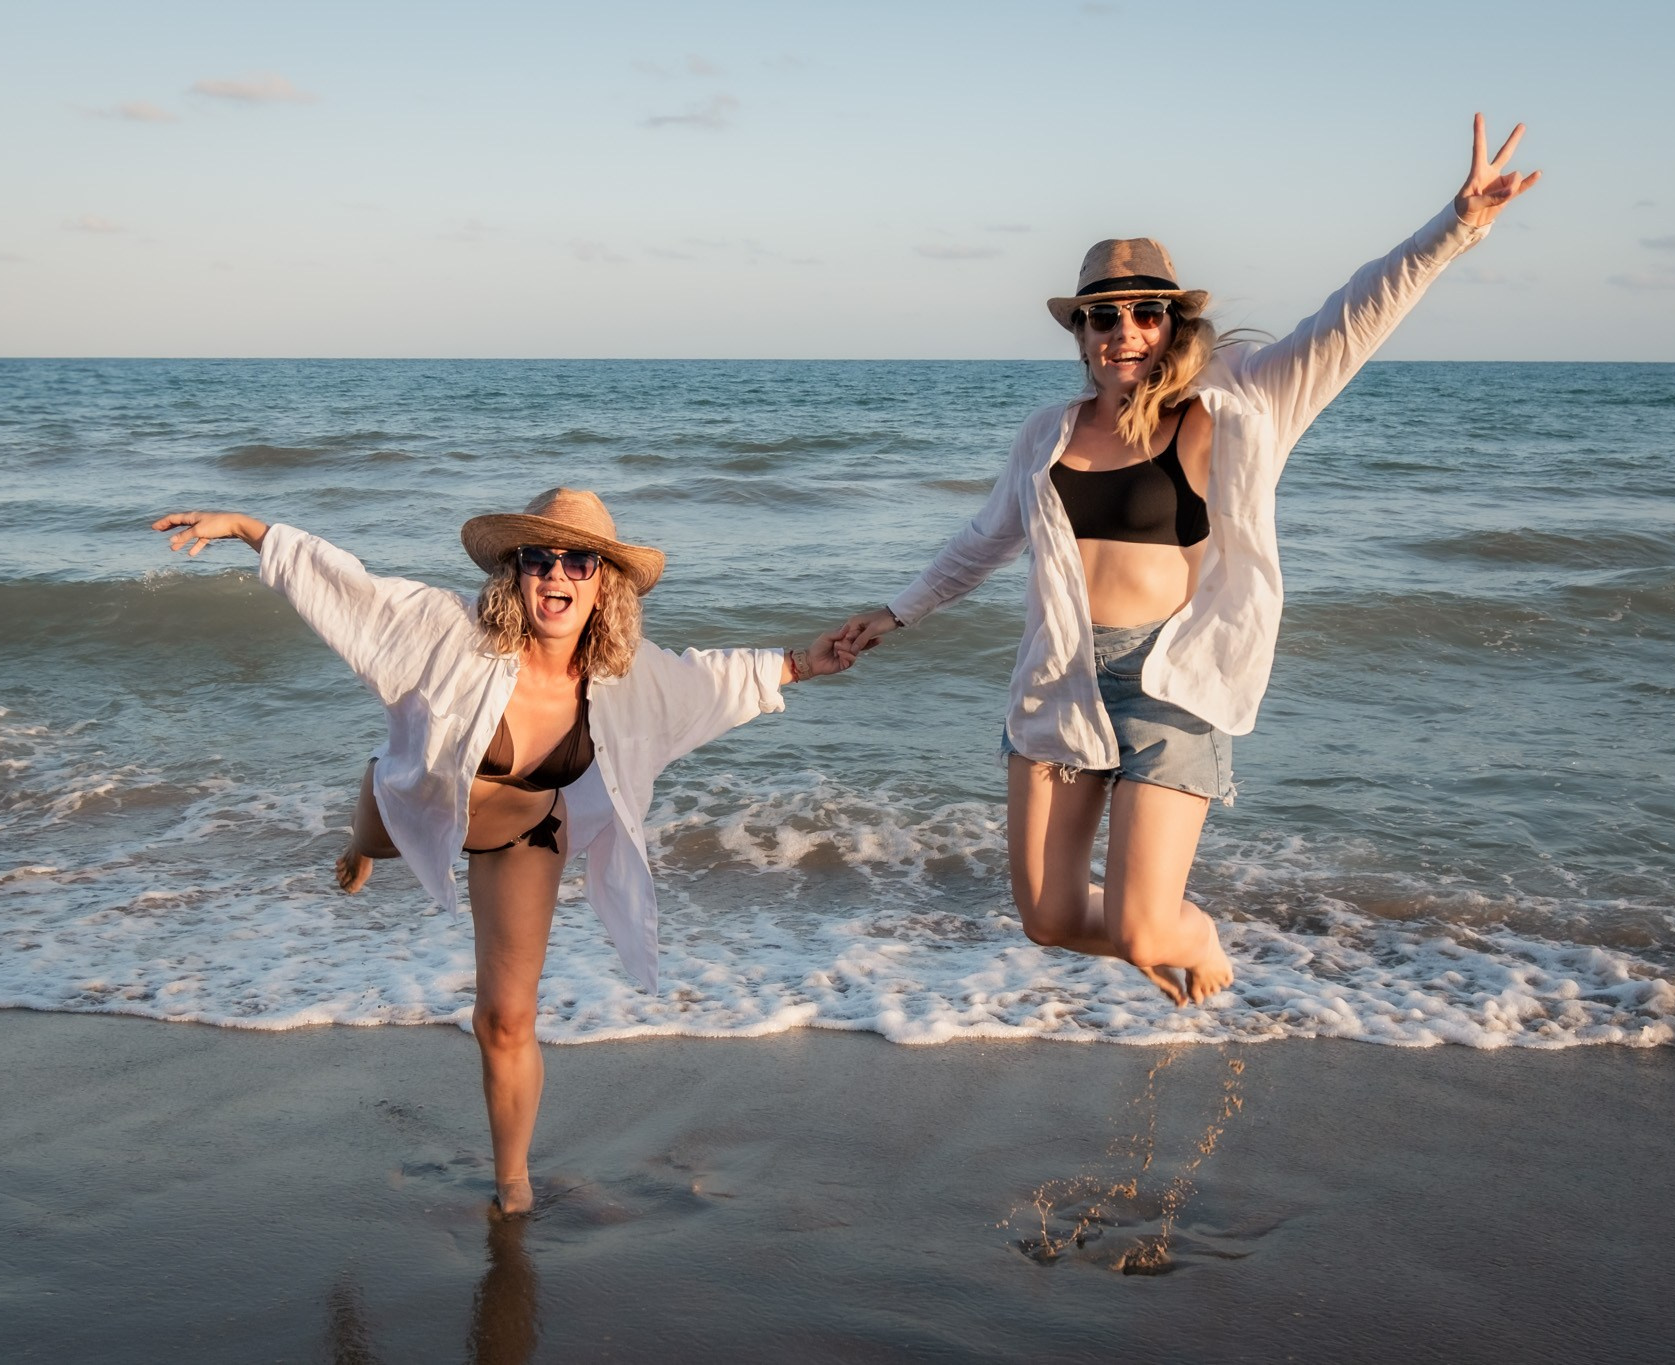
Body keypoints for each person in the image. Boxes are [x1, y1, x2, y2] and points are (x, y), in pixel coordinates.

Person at [839, 115, 1541, 1006]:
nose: (1122, 330)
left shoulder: (1239, 401)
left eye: (1145, 311)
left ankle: (1189, 931)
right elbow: (984, 540)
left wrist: (1459, 223)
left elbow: (1349, 320)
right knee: (1047, 919)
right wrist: (894, 612)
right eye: (1102, 315)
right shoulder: (1046, 436)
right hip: (1061, 682)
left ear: (1173, 321)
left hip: (1170, 684)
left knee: (1140, 925)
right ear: (1080, 329)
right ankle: (1155, 930)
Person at [153, 488, 861, 1214]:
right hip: (416, 802)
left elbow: (710, 679)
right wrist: (249, 529)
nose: (556, 574)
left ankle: (513, 1183)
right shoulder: (449, 633)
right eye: (538, 557)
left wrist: (807, 661)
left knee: (505, 1019)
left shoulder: (624, 675)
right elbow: (351, 592)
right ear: (515, 571)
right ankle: (361, 847)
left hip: (523, 835)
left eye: (577, 560)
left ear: (603, 582)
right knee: (369, 841)